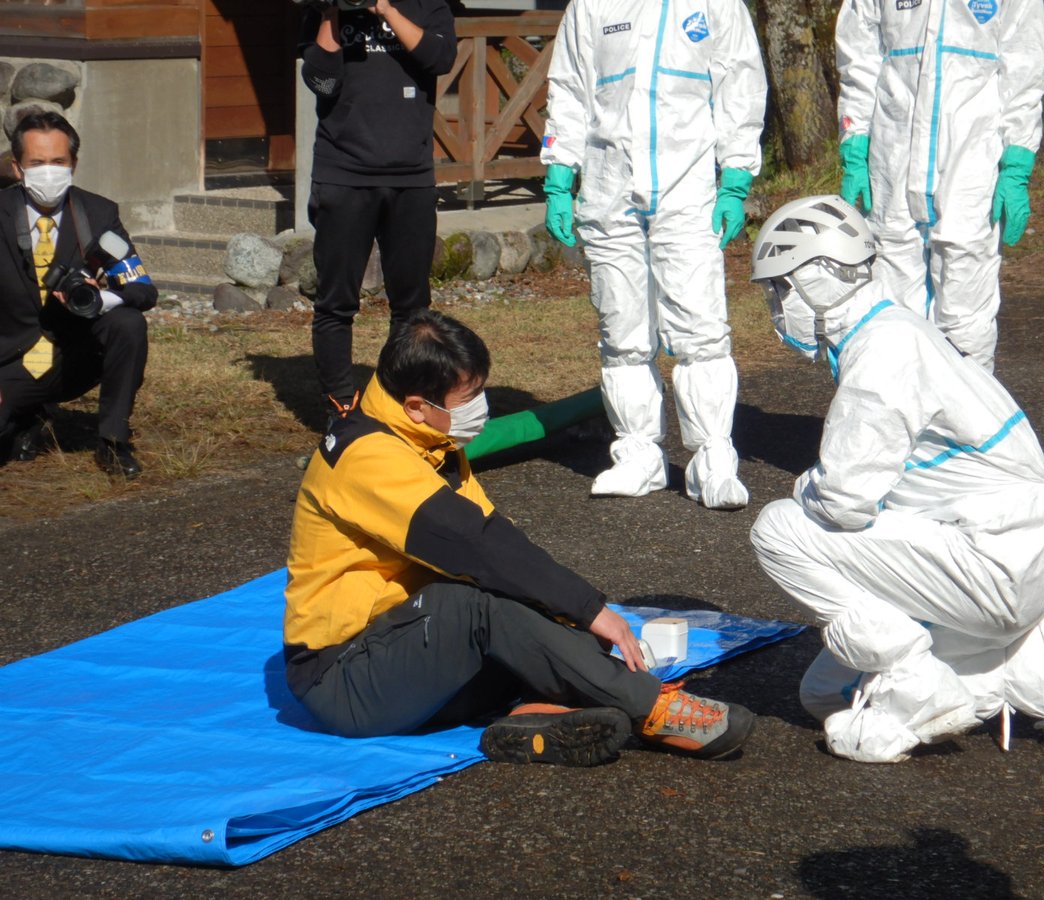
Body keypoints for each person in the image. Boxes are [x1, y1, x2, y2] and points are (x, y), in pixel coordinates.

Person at [283, 308, 754, 766]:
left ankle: (534, 712)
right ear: (415, 406)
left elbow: (500, 543)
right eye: (467, 398)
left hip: (412, 650)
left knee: (528, 600)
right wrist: (591, 610)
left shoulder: (428, 438)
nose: (479, 408)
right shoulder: (367, 459)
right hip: (347, 681)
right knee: (478, 601)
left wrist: (573, 616)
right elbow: (478, 545)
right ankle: (653, 710)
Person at [747, 195, 1044, 763]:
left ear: (818, 279)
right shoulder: (897, 328)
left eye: (781, 288)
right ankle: (1023, 662)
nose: (776, 306)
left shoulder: (881, 355)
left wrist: (803, 485)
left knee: (778, 529)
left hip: (992, 564)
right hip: (1006, 553)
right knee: (824, 694)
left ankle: (916, 681)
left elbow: (842, 501)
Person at [540, 0, 767, 509]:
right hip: (607, 187)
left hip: (687, 190)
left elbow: (741, 85)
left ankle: (713, 458)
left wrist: (736, 174)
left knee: (700, 329)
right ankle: (639, 454)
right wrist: (559, 171)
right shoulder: (590, 6)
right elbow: (570, 85)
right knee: (621, 331)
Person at [835, 0, 1044, 373]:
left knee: (965, 319)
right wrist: (855, 142)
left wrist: (1016, 162)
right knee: (891, 312)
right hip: (892, 160)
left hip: (971, 164)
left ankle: (963, 427)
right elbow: (859, 54)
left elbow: (1025, 66)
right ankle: (899, 427)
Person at [300, 0, 456, 417]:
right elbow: (321, 81)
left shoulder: (428, 5)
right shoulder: (324, 10)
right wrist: (331, 12)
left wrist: (385, 9)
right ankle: (341, 410)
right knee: (336, 302)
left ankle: (397, 401)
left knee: (412, 304)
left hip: (411, 177)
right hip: (344, 174)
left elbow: (439, 58)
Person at [0, 110, 157, 479]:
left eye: (58, 161)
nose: (49, 171)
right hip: (11, 357)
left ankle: (113, 442)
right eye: (37, 163)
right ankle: (26, 417)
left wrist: (102, 297)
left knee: (128, 323)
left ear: (74, 164)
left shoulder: (98, 213)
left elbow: (143, 289)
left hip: (74, 354)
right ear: (17, 168)